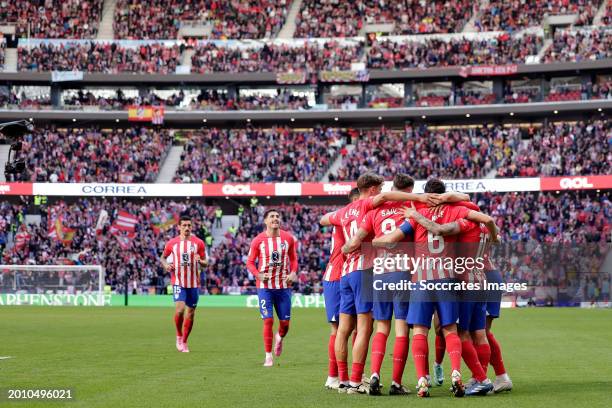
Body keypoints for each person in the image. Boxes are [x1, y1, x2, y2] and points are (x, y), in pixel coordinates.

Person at [373, 178, 498, 398]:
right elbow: (483, 216)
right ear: (443, 193)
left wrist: (375, 241)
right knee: (450, 329)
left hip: (421, 279)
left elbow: (391, 240)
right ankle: (457, 373)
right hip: (448, 277)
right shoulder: (456, 210)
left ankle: (422, 380)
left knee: (420, 330)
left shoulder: (416, 211)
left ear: (426, 194)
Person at [320, 172, 436, 394]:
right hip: (391, 271)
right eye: (379, 188)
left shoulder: (366, 213)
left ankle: (350, 378)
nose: (382, 192)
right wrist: (422, 200)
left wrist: (345, 249)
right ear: (373, 190)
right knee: (395, 329)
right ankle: (387, 382)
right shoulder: (408, 209)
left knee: (352, 329)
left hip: (364, 271)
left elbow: (334, 226)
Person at [404, 202, 499, 395]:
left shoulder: (466, 224)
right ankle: (482, 378)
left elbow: (437, 229)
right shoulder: (487, 229)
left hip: (462, 284)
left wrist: (415, 214)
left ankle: (482, 379)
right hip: (481, 281)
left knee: (457, 333)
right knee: (479, 334)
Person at [246, 209, 298, 367]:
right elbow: (249, 262)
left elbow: (294, 259)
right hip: (265, 288)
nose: (276, 218)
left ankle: (279, 338)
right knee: (268, 320)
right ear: (265, 221)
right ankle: (268, 356)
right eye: (272, 217)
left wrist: (293, 273)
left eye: (277, 216)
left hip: (283, 287)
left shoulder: (288, 238)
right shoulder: (258, 240)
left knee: (285, 325)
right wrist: (258, 275)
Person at [323, 187, 360, 390]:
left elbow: (324, 218)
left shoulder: (341, 217)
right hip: (337, 276)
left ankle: (352, 375)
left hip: (347, 274)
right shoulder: (347, 218)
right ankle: (334, 376)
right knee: (339, 328)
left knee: (356, 326)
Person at [161, 216, 207, 353]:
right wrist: (166, 265)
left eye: (189, 225)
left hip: (193, 283)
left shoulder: (199, 243)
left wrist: (201, 261)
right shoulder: (172, 243)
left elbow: (206, 263)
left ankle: (185, 341)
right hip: (178, 282)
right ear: (179, 227)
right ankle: (178, 335)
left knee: (191, 313)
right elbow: (162, 257)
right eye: (184, 225)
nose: (187, 228)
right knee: (180, 310)